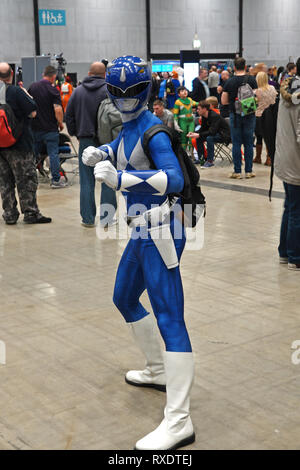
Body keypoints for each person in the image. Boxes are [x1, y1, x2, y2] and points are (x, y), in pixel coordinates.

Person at [82, 55, 195, 450]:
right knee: (124, 297)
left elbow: (174, 177)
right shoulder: (132, 127)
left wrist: (121, 177)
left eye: (131, 93)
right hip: (141, 229)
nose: (125, 100)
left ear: (144, 91)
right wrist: (102, 153)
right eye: (118, 92)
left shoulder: (155, 130)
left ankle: (179, 419)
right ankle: (159, 367)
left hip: (163, 227)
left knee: (170, 317)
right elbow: (121, 147)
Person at [0, 62, 51, 224]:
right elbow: (33, 113)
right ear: (12, 73)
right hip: (19, 145)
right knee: (25, 179)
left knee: (5, 181)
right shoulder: (16, 91)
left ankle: (9, 214)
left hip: (0, 147)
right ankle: (30, 213)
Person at [65, 62, 114, 227]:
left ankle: (87, 218)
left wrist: (76, 134)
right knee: (108, 179)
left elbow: (69, 116)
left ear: (88, 73)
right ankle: (107, 219)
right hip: (107, 141)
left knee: (86, 180)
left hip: (85, 139)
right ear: (105, 74)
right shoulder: (109, 90)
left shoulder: (77, 91)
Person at [274, 57, 300, 271]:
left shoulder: (289, 89)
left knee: (290, 207)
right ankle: (295, 256)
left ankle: (285, 252)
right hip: (296, 164)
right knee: (296, 210)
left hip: (285, 160)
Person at [28, 65, 66, 188]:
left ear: (44, 74)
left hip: (35, 128)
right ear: (53, 76)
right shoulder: (53, 90)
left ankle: (28, 180)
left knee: (32, 155)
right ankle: (56, 181)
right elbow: (58, 110)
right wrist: (60, 123)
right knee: (53, 154)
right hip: (50, 129)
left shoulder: (32, 87)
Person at [221, 57, 257, 179]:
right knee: (248, 143)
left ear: (234, 67)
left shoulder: (230, 82)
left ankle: (237, 171)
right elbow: (257, 97)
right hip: (249, 114)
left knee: (236, 143)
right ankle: (249, 171)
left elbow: (224, 101)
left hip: (235, 115)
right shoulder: (252, 80)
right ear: (245, 66)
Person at [188, 100, 231, 167]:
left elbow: (212, 131)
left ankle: (210, 161)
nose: (197, 111)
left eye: (199, 109)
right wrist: (194, 133)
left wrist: (199, 134)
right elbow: (203, 129)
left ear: (204, 109)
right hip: (216, 134)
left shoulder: (214, 116)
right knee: (199, 138)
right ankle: (201, 159)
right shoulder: (204, 116)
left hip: (224, 135)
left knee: (209, 138)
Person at [253, 71, 277, 166]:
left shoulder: (256, 91)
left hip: (258, 116)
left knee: (259, 138)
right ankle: (269, 158)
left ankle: (258, 157)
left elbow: (252, 106)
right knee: (269, 137)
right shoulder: (272, 88)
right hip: (271, 116)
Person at [173, 86, 198, 151]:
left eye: (185, 90)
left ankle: (191, 154)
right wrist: (175, 124)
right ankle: (184, 155)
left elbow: (197, 104)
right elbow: (175, 114)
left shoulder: (190, 100)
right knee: (183, 138)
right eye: (182, 91)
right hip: (182, 122)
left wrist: (206, 103)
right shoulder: (177, 102)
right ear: (178, 94)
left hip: (191, 121)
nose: (185, 92)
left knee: (191, 138)